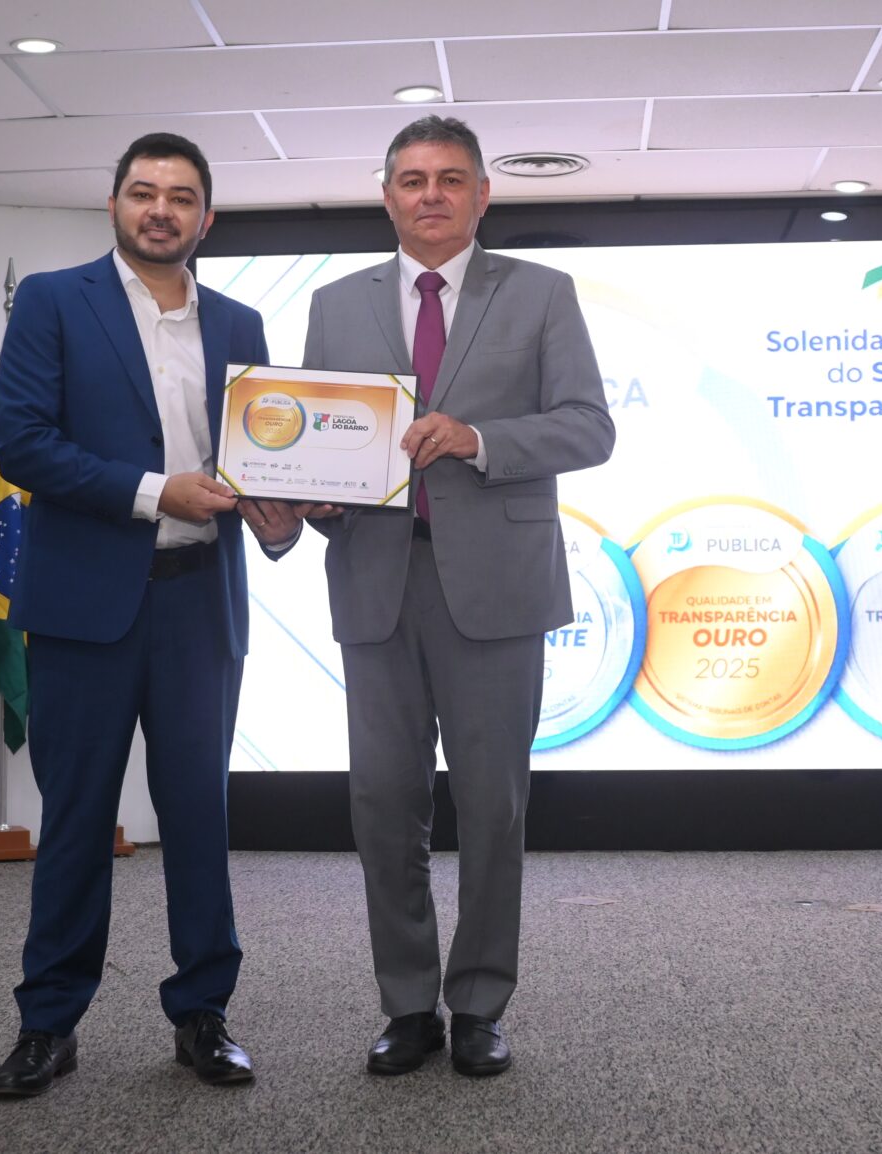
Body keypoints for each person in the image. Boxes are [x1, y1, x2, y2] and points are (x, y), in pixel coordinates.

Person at [300, 115, 615, 1077]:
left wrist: (479, 440)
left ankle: (478, 1003)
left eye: (448, 179)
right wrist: (307, 495)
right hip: (376, 579)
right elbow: (319, 447)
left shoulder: (542, 292)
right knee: (381, 804)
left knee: (492, 808)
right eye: (411, 179)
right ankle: (407, 1005)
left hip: (498, 588)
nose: (429, 194)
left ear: (482, 194)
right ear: (386, 196)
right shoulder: (334, 304)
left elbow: (589, 428)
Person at [0, 132, 298, 1098]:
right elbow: (20, 442)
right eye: (143, 192)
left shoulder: (240, 321)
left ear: (208, 216)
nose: (161, 210)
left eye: (181, 196)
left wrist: (282, 514)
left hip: (200, 603)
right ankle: (48, 1024)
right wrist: (157, 491)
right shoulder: (53, 301)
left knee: (199, 816)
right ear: (115, 203)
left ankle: (204, 1015)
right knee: (77, 818)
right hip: (83, 609)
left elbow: (262, 457)